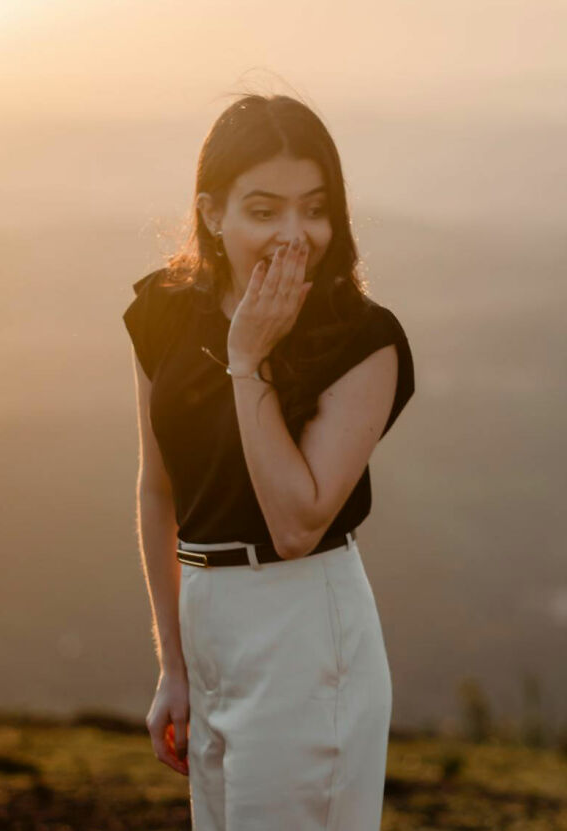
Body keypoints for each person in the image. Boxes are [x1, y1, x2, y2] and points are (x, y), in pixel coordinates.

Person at [122, 93, 415, 831]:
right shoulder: (165, 309)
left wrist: (247, 359)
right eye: (264, 209)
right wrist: (175, 664)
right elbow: (159, 491)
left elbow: (295, 522)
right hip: (206, 619)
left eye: (314, 208)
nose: (296, 235)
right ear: (212, 214)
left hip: (306, 632)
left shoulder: (363, 340)